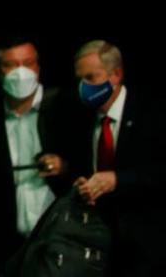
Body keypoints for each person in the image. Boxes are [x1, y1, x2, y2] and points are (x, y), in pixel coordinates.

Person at [0, 35, 73, 276]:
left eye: (27, 63)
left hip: (60, 241)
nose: (21, 73)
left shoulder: (64, 108)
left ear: (38, 67)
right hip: (7, 247)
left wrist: (65, 166)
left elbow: (90, 164)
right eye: (11, 65)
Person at [63, 40, 165, 277]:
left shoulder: (153, 113)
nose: (83, 87)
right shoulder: (80, 119)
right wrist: (81, 183)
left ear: (116, 75)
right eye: (80, 79)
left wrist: (118, 180)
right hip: (98, 245)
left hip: (148, 246)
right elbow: (81, 167)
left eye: (91, 77)